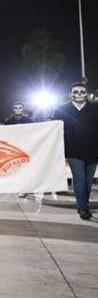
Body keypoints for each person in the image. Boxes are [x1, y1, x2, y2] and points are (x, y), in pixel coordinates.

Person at [53, 82, 98, 220]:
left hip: (93, 150)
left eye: (82, 91)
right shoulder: (61, 110)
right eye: (76, 91)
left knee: (88, 181)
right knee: (79, 179)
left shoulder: (95, 109)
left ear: (86, 93)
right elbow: (55, 130)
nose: (79, 94)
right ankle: (83, 208)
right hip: (73, 149)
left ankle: (83, 203)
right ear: (70, 94)